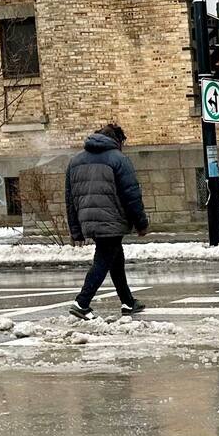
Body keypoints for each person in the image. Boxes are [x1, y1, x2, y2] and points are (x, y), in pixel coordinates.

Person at [65, 123, 149, 318]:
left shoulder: (75, 161)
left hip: (88, 219)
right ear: (117, 141)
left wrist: (75, 230)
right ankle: (82, 302)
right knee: (103, 259)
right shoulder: (118, 159)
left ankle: (128, 302)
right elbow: (131, 194)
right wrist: (141, 222)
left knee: (115, 258)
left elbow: (69, 199)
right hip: (111, 219)